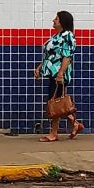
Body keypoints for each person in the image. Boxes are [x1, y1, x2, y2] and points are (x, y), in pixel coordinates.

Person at [34, 11, 83, 142]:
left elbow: (67, 57)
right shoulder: (57, 36)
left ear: (62, 22)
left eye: (56, 19)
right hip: (52, 73)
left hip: (59, 75)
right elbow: (50, 56)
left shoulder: (67, 36)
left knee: (54, 102)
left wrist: (61, 73)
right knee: (56, 102)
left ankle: (54, 133)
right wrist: (40, 67)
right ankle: (75, 123)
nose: (53, 20)